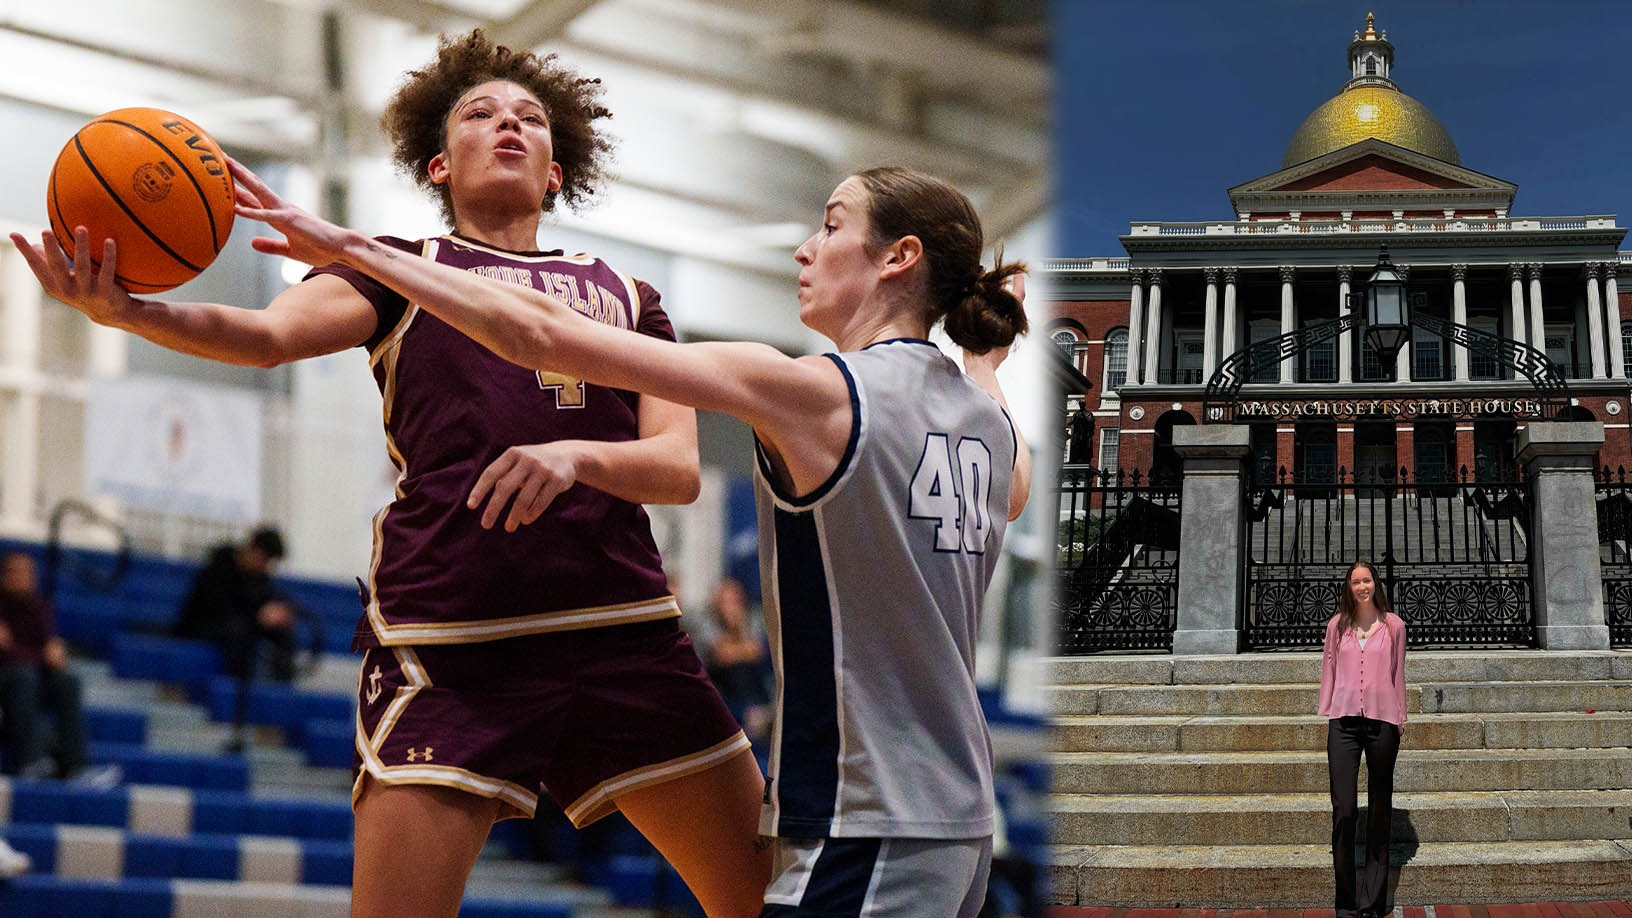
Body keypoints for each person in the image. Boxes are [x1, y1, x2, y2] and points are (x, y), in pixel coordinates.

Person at [11, 30, 768, 918]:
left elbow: (677, 468)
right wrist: (126, 312)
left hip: (621, 633)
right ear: (440, 164)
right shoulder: (399, 268)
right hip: (451, 643)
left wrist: (576, 456)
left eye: (529, 118)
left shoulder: (627, 293)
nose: (509, 125)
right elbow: (262, 339)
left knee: (766, 900)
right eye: (481, 115)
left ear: (558, 172)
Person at [224, 158, 1033, 915]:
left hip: (868, 823)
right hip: (960, 823)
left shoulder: (816, 392)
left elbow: (540, 336)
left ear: (899, 258)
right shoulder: (988, 421)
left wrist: (352, 249)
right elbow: (1017, 491)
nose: (805, 247)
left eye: (830, 225)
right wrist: (987, 362)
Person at [1317, 560, 1407, 918]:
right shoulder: (1336, 627)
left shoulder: (1394, 626)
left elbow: (1397, 672)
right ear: (1349, 587)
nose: (1362, 586)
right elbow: (1330, 669)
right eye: (1355, 581)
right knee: (1344, 809)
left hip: (1383, 722)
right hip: (1344, 724)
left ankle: (1372, 901)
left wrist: (1400, 717)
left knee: (1379, 810)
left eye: (1367, 579)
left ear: (1375, 584)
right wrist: (1328, 707)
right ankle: (1346, 901)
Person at [172, 526, 300, 752]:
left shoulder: (259, 578)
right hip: (203, 626)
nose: (264, 567)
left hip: (239, 627)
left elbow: (261, 604)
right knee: (241, 637)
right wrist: (259, 617)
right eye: (264, 560)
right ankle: (237, 716)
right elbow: (216, 609)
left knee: (281, 633)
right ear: (253, 550)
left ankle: (280, 694)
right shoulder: (217, 569)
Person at [0, 552, 108, 784]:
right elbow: (9, 654)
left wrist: (27, 652)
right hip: (9, 680)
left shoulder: (40, 605)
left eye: (29, 573)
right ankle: (30, 761)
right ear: (4, 577)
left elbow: (53, 655)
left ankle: (77, 767)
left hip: (31, 678)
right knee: (24, 676)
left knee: (67, 682)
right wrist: (39, 655)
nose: (24, 578)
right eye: (16, 573)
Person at [698, 577, 771, 744]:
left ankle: (755, 712)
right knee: (734, 670)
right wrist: (734, 632)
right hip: (722, 688)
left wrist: (737, 635)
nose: (730, 607)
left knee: (745, 669)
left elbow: (758, 651)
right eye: (725, 602)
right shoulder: (708, 622)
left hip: (752, 686)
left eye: (734, 601)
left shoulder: (750, 618)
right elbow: (721, 655)